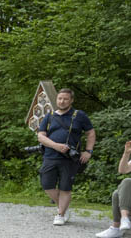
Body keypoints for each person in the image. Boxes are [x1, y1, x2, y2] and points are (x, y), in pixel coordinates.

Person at [36, 88, 95, 225]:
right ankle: (64, 207)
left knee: (65, 187)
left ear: (71, 100)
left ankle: (60, 214)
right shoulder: (49, 116)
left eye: (65, 99)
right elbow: (41, 136)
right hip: (50, 156)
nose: (62, 101)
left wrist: (88, 151)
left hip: (70, 159)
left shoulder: (79, 115)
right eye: (60, 98)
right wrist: (55, 145)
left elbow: (91, 133)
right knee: (47, 185)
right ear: (56, 100)